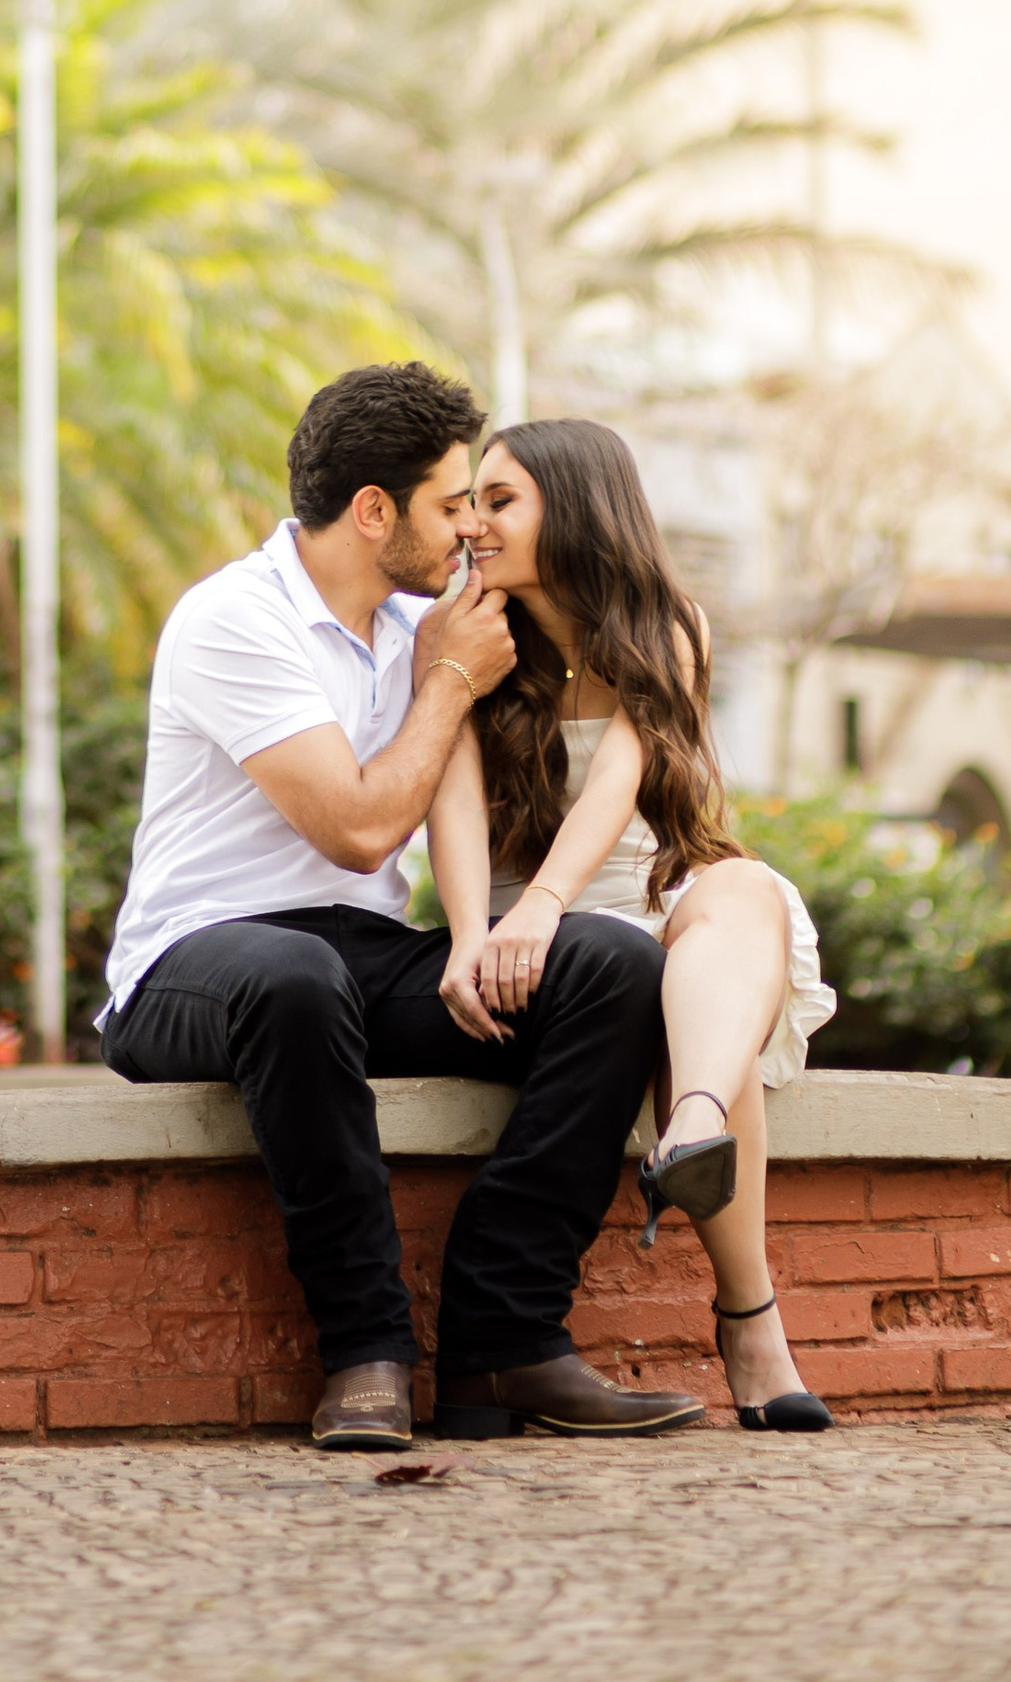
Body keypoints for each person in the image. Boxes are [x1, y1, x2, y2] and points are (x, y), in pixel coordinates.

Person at [98, 360, 701, 1449]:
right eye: (450, 499)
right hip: (194, 966)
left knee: (610, 964)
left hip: (354, 962)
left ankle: (504, 1332)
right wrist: (444, 685)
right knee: (293, 972)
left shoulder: (423, 622)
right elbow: (361, 827)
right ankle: (366, 1347)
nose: (470, 522)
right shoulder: (235, 618)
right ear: (374, 510)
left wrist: (482, 936)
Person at [428, 417, 837, 1431]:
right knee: (709, 1033)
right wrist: (469, 930)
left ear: (570, 506)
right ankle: (752, 1325)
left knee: (740, 886)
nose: (473, 521)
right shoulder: (467, 631)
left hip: (643, 897)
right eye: (470, 499)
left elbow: (619, 781)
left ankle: (690, 1123)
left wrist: (544, 898)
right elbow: (449, 789)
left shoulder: (668, 624)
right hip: (550, 940)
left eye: (499, 498)